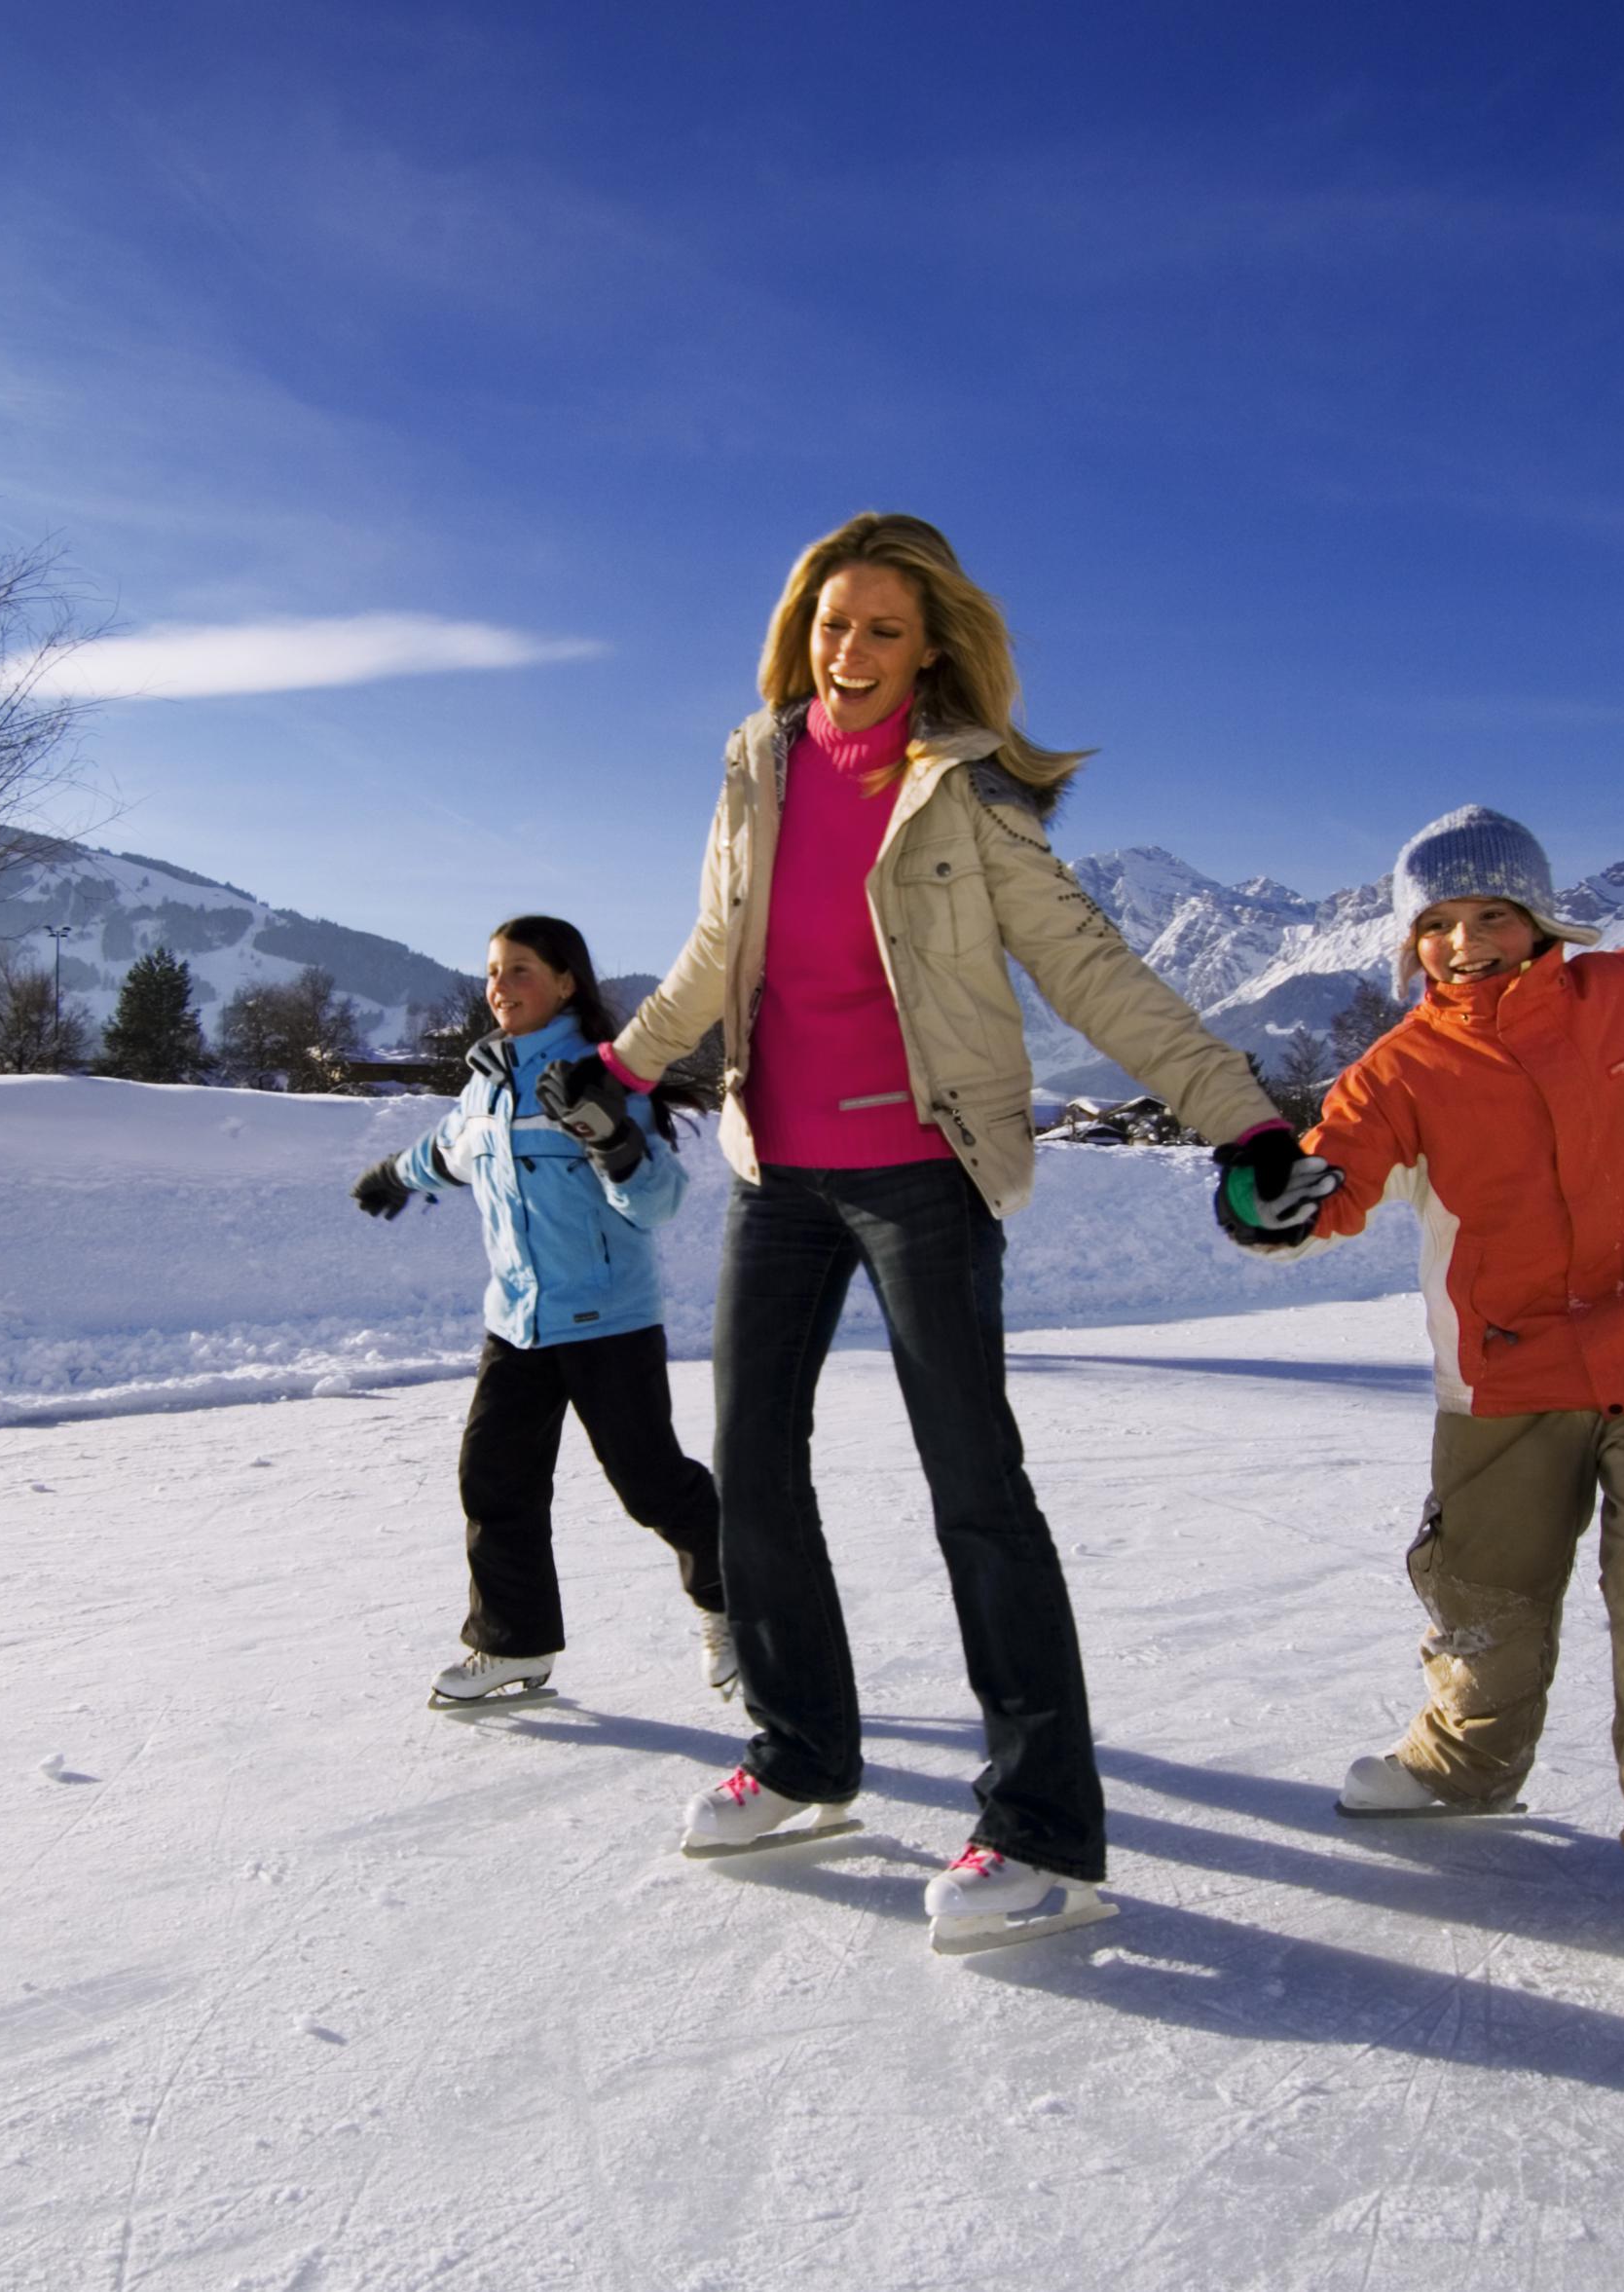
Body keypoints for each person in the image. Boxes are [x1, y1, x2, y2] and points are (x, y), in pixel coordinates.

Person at [544, 513, 1328, 1949]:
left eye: (881, 631)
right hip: (775, 1166)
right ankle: (800, 1754)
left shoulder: (963, 797)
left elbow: (1098, 974)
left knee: (973, 1482)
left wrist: (1243, 1120)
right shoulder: (756, 766)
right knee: (757, 1472)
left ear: (932, 651)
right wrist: (622, 1065)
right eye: (831, 624)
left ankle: (1037, 1826)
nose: (848, 654)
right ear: (803, 629)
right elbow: (719, 947)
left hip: (921, 1165)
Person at [1230, 800, 1624, 1962]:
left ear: (1538, 919)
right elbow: (1331, 1181)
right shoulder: (1403, 1068)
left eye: (1492, 913)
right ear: (1408, 940)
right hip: (1507, 1372)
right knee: (1483, 1584)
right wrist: (1263, 1206)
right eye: (1438, 922)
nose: (1467, 940)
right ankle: (1466, 1762)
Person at [351, 915, 730, 1711]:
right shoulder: (486, 1079)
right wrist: (396, 1172)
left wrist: (615, 1143)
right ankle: (513, 1645)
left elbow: (659, 1201)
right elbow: (453, 1148)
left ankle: (737, 1606)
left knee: (653, 1485)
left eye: (519, 970)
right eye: (493, 971)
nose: (500, 987)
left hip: (607, 1319)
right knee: (494, 1480)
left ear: (564, 983)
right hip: (517, 1322)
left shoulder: (599, 1075)